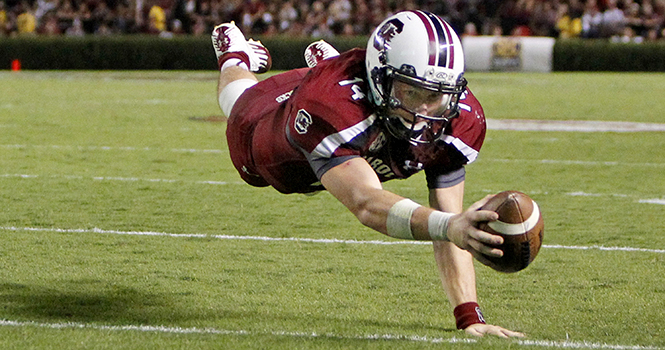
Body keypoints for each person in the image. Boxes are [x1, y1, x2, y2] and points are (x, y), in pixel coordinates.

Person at [212, 11, 525, 338]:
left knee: (381, 137)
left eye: (434, 96)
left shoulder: (459, 119)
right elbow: (366, 202)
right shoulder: (329, 106)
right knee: (237, 104)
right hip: (275, 138)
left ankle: (326, 63)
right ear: (379, 77)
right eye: (412, 93)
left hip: (351, 104)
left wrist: (469, 316)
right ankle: (235, 54)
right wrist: (449, 225)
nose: (425, 112)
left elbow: (451, 221)